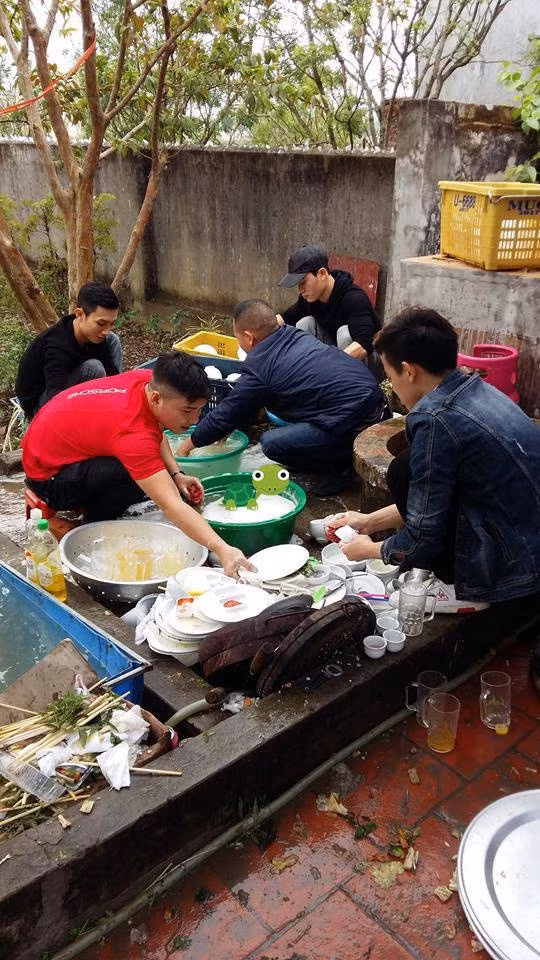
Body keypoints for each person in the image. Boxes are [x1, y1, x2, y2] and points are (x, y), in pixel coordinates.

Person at [326, 307, 540, 603]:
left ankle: (460, 585)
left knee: (401, 471)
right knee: (406, 465)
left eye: (389, 375)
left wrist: (370, 550)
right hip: (525, 540)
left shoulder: (435, 420)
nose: (392, 387)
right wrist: (369, 521)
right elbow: (432, 503)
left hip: (510, 565)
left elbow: (421, 542)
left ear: (409, 371)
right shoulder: (475, 387)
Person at [21, 352, 253, 579]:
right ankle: (90, 527)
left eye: (199, 410)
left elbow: (154, 429)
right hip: (48, 478)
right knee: (135, 476)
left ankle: (89, 499)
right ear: (156, 399)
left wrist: (176, 474)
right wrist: (223, 549)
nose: (195, 420)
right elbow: (170, 504)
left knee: (147, 471)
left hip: (54, 451)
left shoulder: (146, 381)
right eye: (188, 410)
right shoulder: (132, 433)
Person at [175, 299, 389, 497]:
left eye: (238, 338)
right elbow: (242, 403)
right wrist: (229, 425)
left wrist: (185, 447)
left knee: (272, 443)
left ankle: (342, 466)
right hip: (378, 405)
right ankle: (326, 455)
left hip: (358, 425)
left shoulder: (261, 365)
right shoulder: (293, 335)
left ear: (249, 337)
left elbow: (226, 413)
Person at [15, 282, 123, 420]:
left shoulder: (94, 334)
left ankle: (114, 405)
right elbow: (55, 397)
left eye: (111, 323)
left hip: (68, 382)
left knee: (112, 340)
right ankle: (98, 417)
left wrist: (118, 390)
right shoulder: (57, 345)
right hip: (41, 406)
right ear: (80, 314)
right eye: (101, 323)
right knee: (94, 369)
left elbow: (111, 371)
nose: (106, 330)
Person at [276, 245, 381, 375]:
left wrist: (328, 367)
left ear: (322, 274)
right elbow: (285, 318)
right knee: (305, 323)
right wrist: (257, 331)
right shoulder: (310, 298)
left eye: (303, 282)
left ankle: (340, 383)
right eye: (298, 285)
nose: (300, 290)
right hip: (336, 359)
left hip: (369, 366)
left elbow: (364, 345)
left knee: (344, 334)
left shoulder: (354, 298)